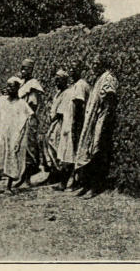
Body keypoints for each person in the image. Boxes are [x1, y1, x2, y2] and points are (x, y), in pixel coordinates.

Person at [74, 54, 118, 199]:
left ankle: (95, 187)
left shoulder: (107, 78)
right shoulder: (98, 79)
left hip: (100, 120)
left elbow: (109, 100)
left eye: (96, 63)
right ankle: (86, 185)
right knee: (88, 151)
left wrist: (103, 122)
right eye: (92, 64)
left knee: (96, 152)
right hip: (93, 120)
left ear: (102, 64)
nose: (93, 66)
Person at [0, 76, 34, 195]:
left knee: (11, 160)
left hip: (14, 136)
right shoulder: (2, 101)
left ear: (18, 88)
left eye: (12, 86)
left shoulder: (22, 104)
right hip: (1, 134)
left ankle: (8, 187)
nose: (9, 89)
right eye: (8, 86)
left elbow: (24, 123)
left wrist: (19, 140)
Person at [60, 59, 91, 191]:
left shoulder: (80, 85)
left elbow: (79, 107)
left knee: (75, 154)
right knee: (72, 154)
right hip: (74, 123)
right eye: (70, 68)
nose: (72, 71)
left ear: (81, 70)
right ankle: (70, 182)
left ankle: (77, 182)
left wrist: (75, 126)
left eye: (75, 68)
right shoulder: (76, 85)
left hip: (77, 124)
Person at [15, 58, 44, 188]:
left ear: (31, 70)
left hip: (28, 118)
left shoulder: (33, 84)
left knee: (29, 148)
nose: (23, 71)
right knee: (20, 147)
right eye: (22, 68)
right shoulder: (21, 83)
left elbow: (33, 104)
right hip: (20, 119)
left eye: (26, 69)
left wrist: (26, 116)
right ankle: (21, 175)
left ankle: (27, 177)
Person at [42, 69, 71, 188]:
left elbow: (60, 112)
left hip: (61, 123)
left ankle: (58, 174)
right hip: (55, 122)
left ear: (65, 80)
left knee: (56, 145)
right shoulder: (58, 93)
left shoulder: (67, 93)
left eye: (59, 80)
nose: (57, 82)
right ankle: (53, 172)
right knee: (49, 144)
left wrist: (53, 120)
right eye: (56, 80)